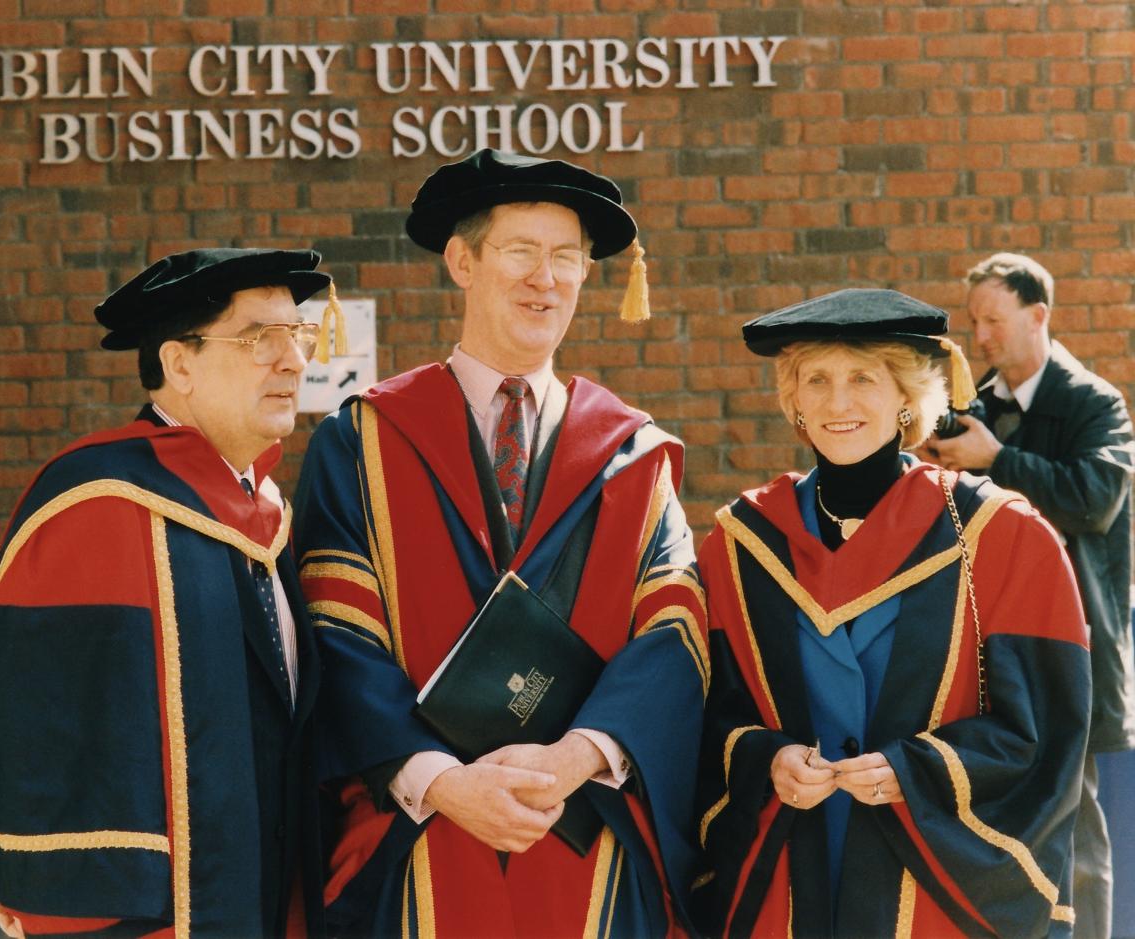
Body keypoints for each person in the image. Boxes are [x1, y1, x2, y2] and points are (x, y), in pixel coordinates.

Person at [293, 149, 707, 936]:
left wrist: (577, 756)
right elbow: (335, 632)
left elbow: (673, 629)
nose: (543, 279)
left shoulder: (635, 454)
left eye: (565, 258)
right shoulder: (361, 441)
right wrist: (442, 780)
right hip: (416, 830)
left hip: (584, 833)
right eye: (520, 251)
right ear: (462, 260)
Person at [0, 248, 333, 938]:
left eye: (298, 335)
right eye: (260, 339)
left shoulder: (263, 509)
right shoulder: (94, 504)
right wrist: (51, 899)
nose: (293, 360)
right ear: (179, 363)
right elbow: (36, 738)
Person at [693, 288, 1091, 937]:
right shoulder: (741, 545)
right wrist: (766, 759)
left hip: (932, 890)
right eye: (814, 379)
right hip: (791, 877)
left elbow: (1047, 735)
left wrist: (920, 769)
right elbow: (703, 716)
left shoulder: (1001, 538)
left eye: (863, 378)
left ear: (907, 395)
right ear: (792, 398)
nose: (837, 401)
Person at [923, 252, 1135, 939]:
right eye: (975, 320)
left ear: (1038, 315)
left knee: (1077, 821)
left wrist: (997, 462)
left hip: (1074, 639)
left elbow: (1095, 499)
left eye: (994, 319)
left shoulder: (1093, 401)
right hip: (989, 643)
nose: (980, 335)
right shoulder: (973, 407)